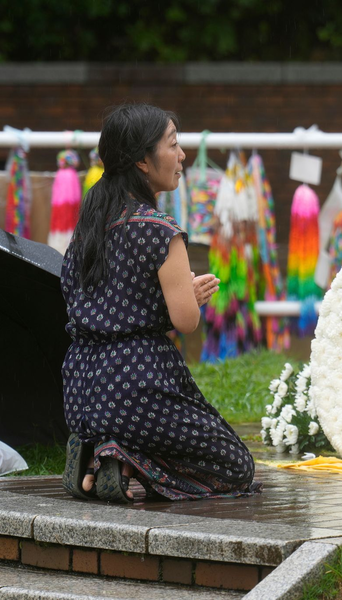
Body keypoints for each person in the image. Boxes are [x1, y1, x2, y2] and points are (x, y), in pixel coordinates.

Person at [60, 103, 261, 502]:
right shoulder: (160, 231)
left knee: (153, 431)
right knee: (237, 467)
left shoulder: (88, 229)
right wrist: (191, 296)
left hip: (81, 389)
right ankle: (121, 455)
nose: (183, 155)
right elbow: (185, 321)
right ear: (142, 162)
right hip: (138, 386)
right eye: (173, 145)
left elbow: (99, 299)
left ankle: (100, 454)